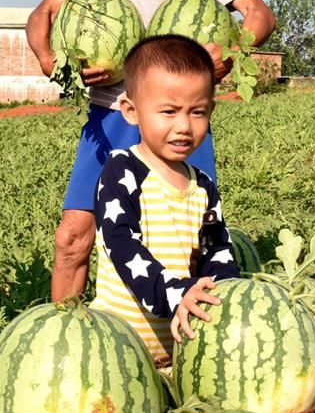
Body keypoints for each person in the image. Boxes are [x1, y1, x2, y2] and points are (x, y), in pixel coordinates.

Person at [26, 0, 275, 301]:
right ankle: (64, 342)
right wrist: (54, 64)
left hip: (177, 118)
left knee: (191, 245)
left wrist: (224, 57)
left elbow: (259, 14)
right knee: (73, 239)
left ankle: (192, 355)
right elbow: (43, 16)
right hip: (111, 117)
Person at [90, 35, 240, 361]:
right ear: (131, 111)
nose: (184, 126)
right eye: (169, 111)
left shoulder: (202, 185)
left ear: (211, 109)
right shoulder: (122, 171)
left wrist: (229, 298)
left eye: (197, 112)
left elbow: (218, 253)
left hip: (179, 355)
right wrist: (176, 292)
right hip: (118, 352)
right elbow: (123, 247)